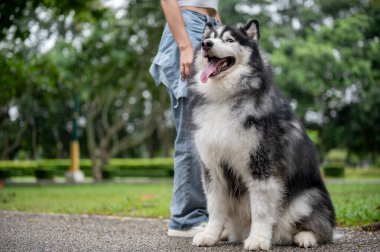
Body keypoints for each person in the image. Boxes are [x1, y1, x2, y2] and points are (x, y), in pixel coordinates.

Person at [149, 0, 220, 237]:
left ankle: (210, 215)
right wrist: (184, 46)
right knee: (192, 132)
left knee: (211, 133)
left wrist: (218, 26)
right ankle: (186, 219)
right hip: (188, 25)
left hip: (210, 26)